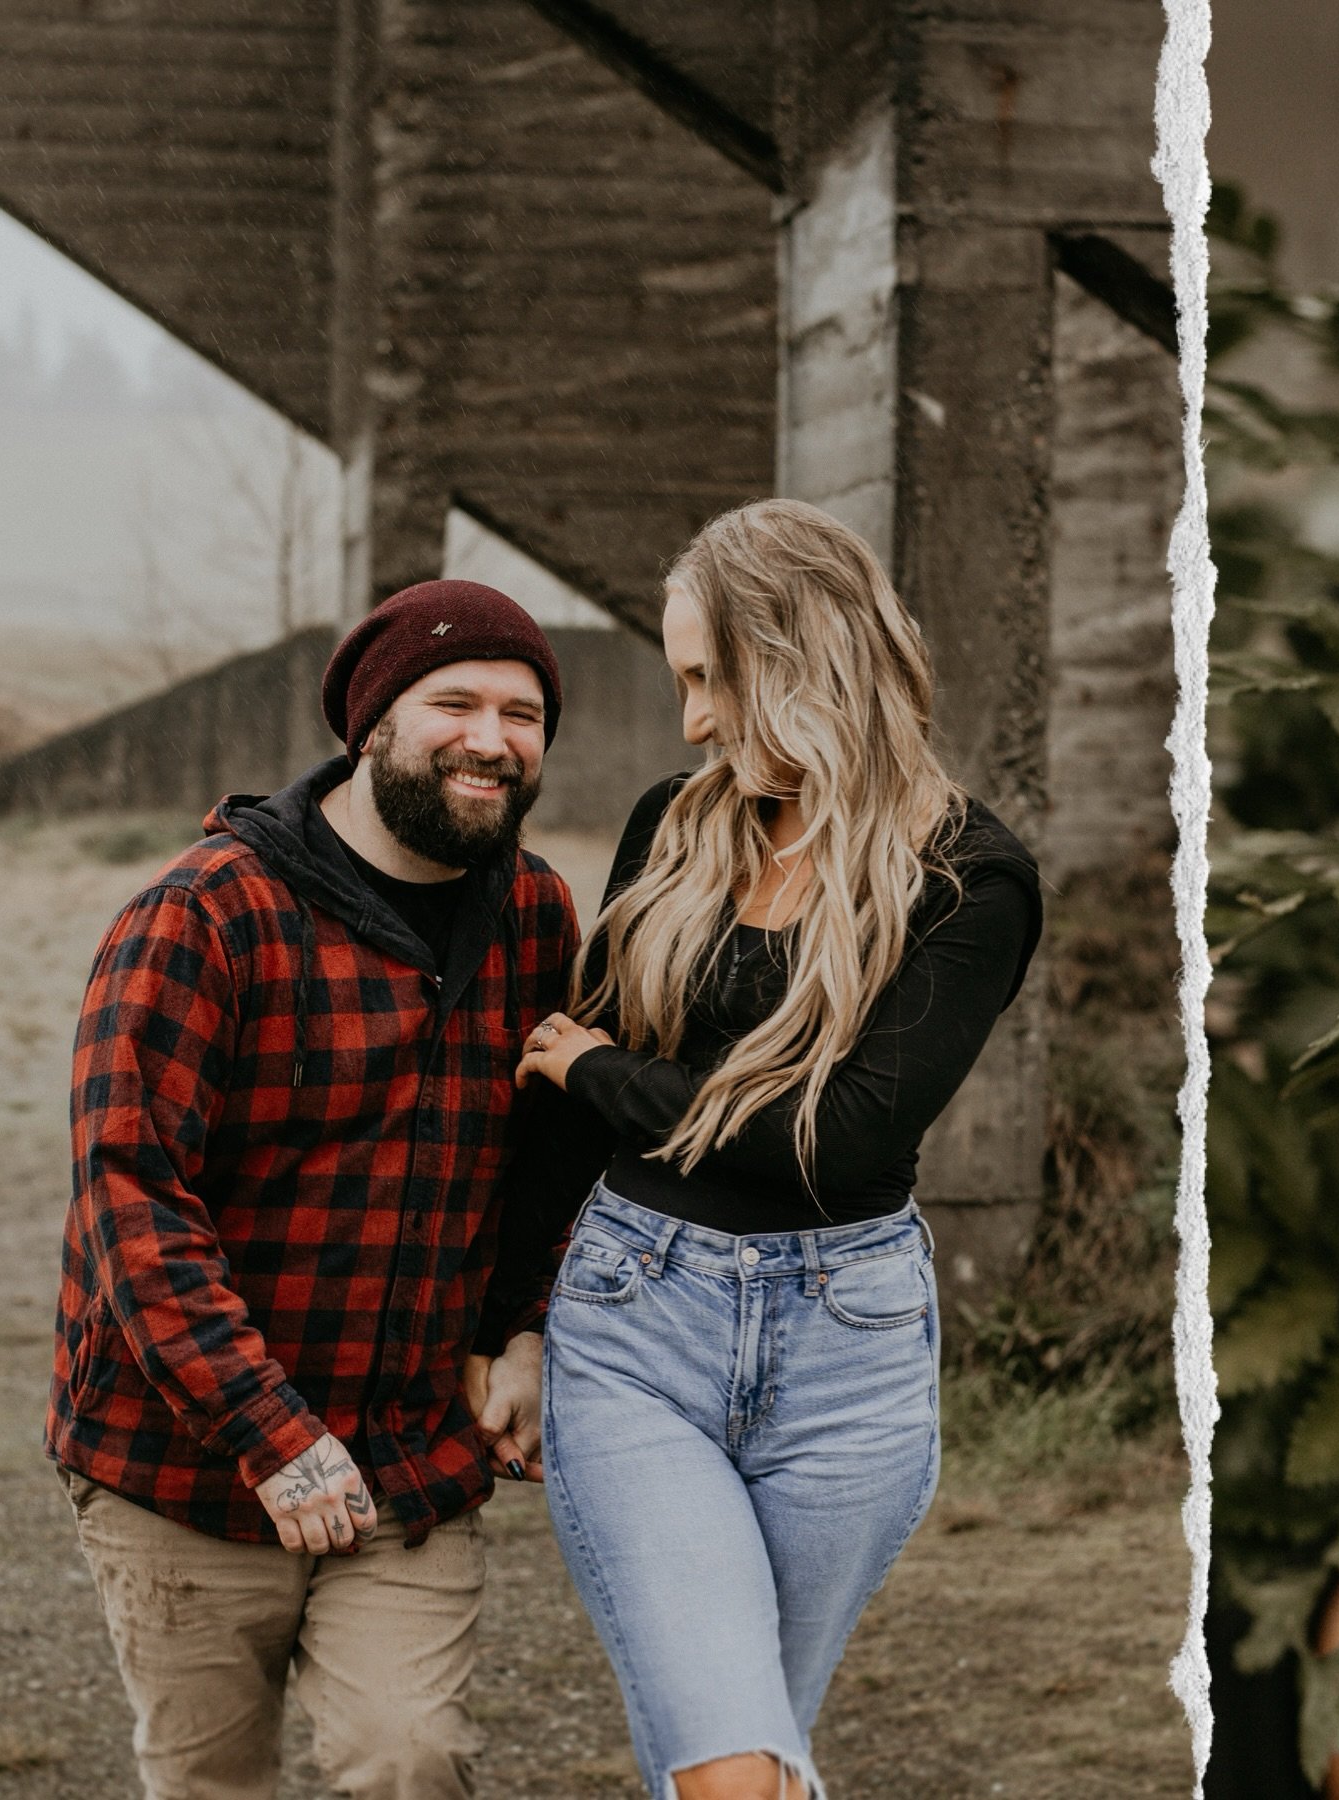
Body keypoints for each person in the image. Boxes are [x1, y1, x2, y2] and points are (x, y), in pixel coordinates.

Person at [510, 499, 1044, 1800]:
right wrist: (510, 1324)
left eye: (707, 678)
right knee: (731, 1769)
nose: (690, 719)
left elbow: (839, 1141)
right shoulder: (678, 829)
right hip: (637, 1331)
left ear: (797, 656)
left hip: (846, 1363)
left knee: (753, 1744)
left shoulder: (968, 876)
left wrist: (607, 1071)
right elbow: (553, 1110)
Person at [46, 578, 575, 1800]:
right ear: (374, 723)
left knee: (410, 1759)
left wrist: (525, 1327)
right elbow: (130, 1195)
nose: (493, 738)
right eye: (457, 702)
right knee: (211, 1782)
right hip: (185, 1467)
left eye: (525, 713)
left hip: (405, 1461)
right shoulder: (203, 915)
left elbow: (548, 1163)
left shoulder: (535, 914)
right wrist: (271, 1434)